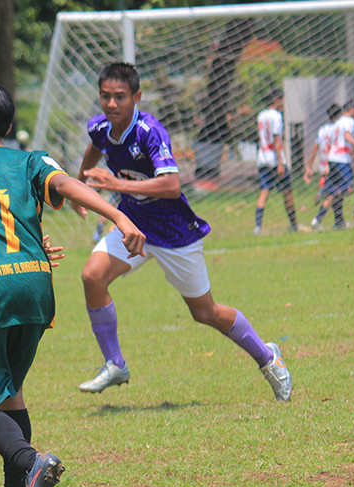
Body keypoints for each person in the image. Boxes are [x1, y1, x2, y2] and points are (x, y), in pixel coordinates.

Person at [0, 79, 145, 487]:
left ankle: (32, 462)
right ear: (9, 125)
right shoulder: (32, 160)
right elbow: (66, 184)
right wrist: (119, 215)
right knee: (11, 392)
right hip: (36, 283)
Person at [74, 62, 293, 402]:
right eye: (105, 96)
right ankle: (115, 363)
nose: (112, 104)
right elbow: (95, 148)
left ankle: (269, 357)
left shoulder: (150, 131)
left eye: (120, 97)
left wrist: (115, 183)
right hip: (133, 224)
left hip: (175, 233)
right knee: (92, 276)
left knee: (205, 312)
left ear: (137, 97)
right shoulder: (101, 127)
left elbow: (173, 185)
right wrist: (80, 185)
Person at [305, 102, 354, 230]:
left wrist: (313, 165)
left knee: (334, 194)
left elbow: (320, 147)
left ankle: (336, 221)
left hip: (329, 161)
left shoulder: (329, 127)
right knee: (347, 188)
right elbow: (347, 138)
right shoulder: (347, 122)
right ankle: (327, 191)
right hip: (341, 160)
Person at [253, 89, 298, 234]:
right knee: (287, 193)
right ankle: (294, 225)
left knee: (264, 192)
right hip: (274, 160)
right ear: (277, 100)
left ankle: (257, 227)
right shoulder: (277, 116)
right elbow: (277, 140)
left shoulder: (261, 115)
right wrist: (280, 163)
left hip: (263, 158)